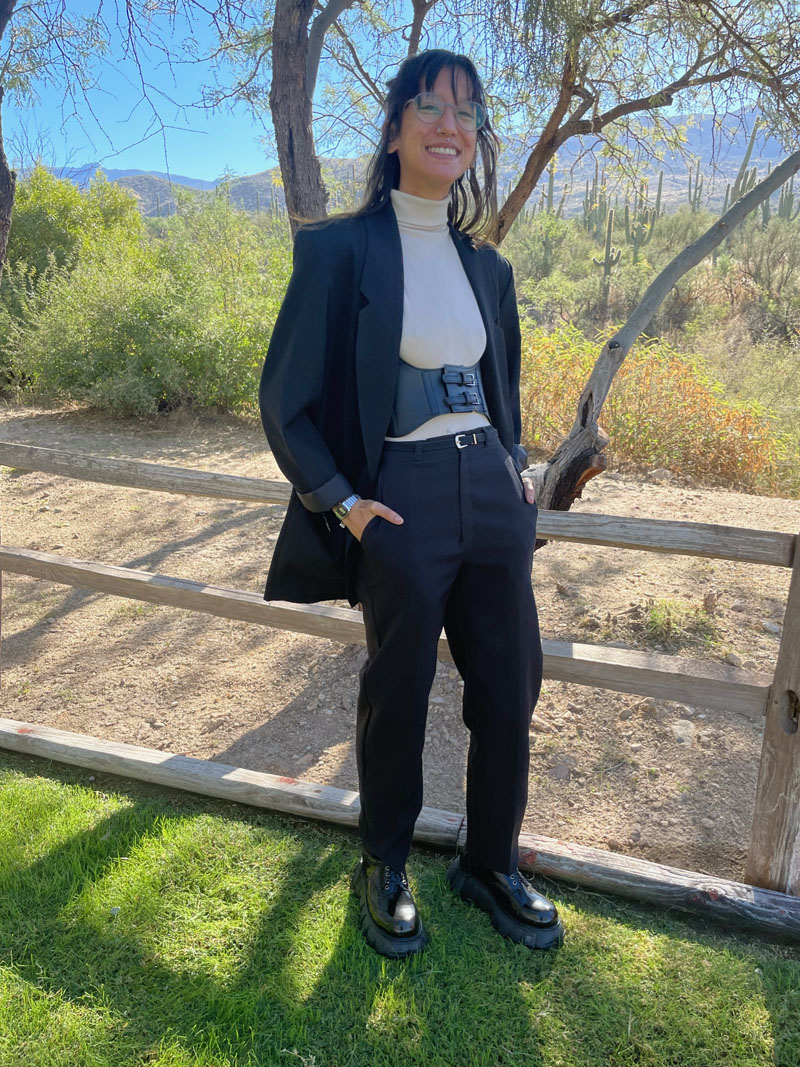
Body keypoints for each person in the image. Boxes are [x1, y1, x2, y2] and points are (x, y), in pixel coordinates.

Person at [259, 48, 564, 959]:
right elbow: (285, 403)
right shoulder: (336, 251)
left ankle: (489, 861)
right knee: (399, 687)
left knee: (511, 685)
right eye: (429, 106)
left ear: (477, 138)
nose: (449, 125)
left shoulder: (488, 269)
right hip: (401, 499)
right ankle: (385, 864)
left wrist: (515, 465)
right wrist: (347, 504)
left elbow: (501, 385)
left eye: (467, 113)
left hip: (492, 499)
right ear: (395, 130)